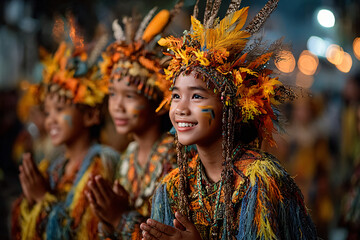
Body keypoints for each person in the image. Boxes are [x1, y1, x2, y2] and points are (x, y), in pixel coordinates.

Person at [140, 0, 318, 239]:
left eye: (196, 96)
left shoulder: (260, 181)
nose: (180, 108)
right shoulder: (172, 186)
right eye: (175, 96)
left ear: (231, 106)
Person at [85, 3, 183, 239]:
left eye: (129, 96)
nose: (117, 106)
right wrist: (107, 220)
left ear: (159, 104)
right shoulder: (128, 156)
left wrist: (120, 217)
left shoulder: (175, 156)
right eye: (113, 94)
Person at [11, 30, 119, 240]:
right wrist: (30, 200)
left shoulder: (100, 165)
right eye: (47, 112)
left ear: (90, 115)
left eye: (60, 110)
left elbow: (86, 232)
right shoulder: (56, 167)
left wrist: (43, 198)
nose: (50, 119)